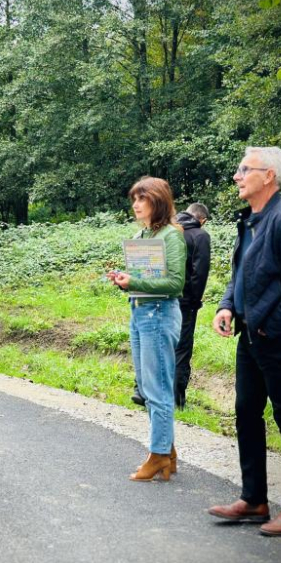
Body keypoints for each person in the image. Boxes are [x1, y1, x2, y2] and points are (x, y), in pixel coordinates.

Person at [208, 147, 281, 537]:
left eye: (244, 169)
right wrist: (227, 306)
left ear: (268, 175)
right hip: (252, 336)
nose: (237, 176)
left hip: (279, 339)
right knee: (246, 413)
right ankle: (254, 499)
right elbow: (241, 274)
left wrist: (267, 328)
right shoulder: (251, 220)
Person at [108, 177, 185, 481]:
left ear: (158, 201)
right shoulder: (143, 234)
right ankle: (168, 452)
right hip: (140, 312)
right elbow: (145, 278)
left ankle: (158, 456)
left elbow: (175, 284)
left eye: (142, 199)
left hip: (159, 314)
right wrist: (125, 280)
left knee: (157, 388)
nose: (136, 205)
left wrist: (135, 282)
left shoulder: (171, 236)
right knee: (146, 385)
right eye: (134, 199)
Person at [173, 203, 211, 409]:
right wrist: (194, 301)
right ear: (202, 220)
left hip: (162, 296)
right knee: (182, 348)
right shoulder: (200, 236)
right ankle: (177, 400)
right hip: (185, 301)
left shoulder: (168, 230)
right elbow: (200, 273)